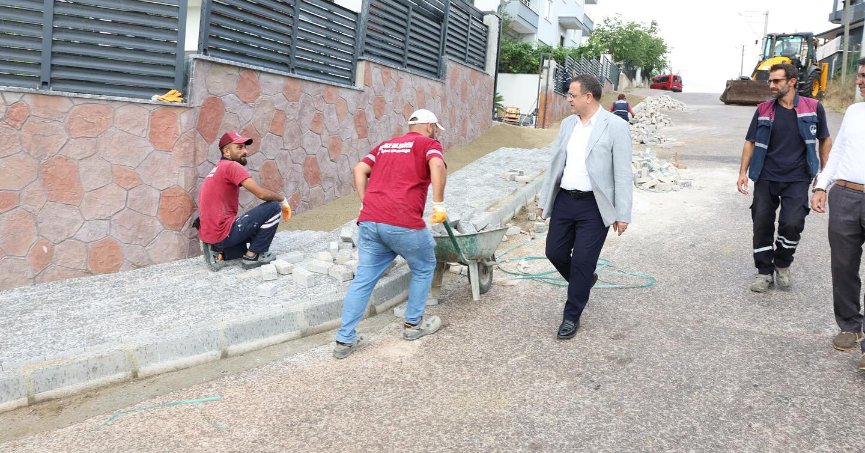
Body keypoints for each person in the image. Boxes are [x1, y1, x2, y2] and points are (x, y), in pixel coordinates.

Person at [333, 109, 448, 359]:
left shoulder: (386, 145)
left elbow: (358, 169)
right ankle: (413, 326)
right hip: (403, 220)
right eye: (436, 127)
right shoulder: (429, 144)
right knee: (425, 265)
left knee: (363, 278)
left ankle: (344, 339)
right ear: (428, 126)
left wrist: (366, 202)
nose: (437, 132)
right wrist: (439, 204)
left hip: (370, 221)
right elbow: (437, 164)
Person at [538, 74, 633, 340]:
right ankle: (584, 281)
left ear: (588, 97)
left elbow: (623, 172)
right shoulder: (568, 124)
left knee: (581, 260)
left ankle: (571, 315)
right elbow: (556, 164)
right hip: (565, 200)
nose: (568, 99)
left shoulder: (614, 126)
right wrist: (545, 200)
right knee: (554, 252)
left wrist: (622, 214)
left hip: (594, 205)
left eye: (572, 94)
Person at [736, 63, 831, 292]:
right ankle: (764, 272)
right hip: (766, 176)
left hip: (798, 177)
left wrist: (824, 175)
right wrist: (742, 173)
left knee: (792, 223)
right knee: (761, 224)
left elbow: (824, 139)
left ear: (792, 81)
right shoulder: (763, 110)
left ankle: (782, 263)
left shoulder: (813, 108)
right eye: (770, 81)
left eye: (776, 81)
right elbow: (750, 141)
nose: (771, 85)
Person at [811, 56, 865, 370]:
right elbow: (839, 151)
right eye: (859, 75)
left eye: (863, 76)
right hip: (845, 194)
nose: (858, 81)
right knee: (843, 265)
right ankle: (850, 325)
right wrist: (821, 185)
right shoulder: (854, 112)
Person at [197, 131, 291, 271]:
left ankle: (217, 250)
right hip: (223, 233)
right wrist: (282, 199)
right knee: (273, 207)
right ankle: (252, 256)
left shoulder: (218, 168)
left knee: (251, 233)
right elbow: (261, 194)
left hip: (212, 235)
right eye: (239, 148)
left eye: (245, 147)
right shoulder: (231, 166)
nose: (245, 151)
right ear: (227, 152)